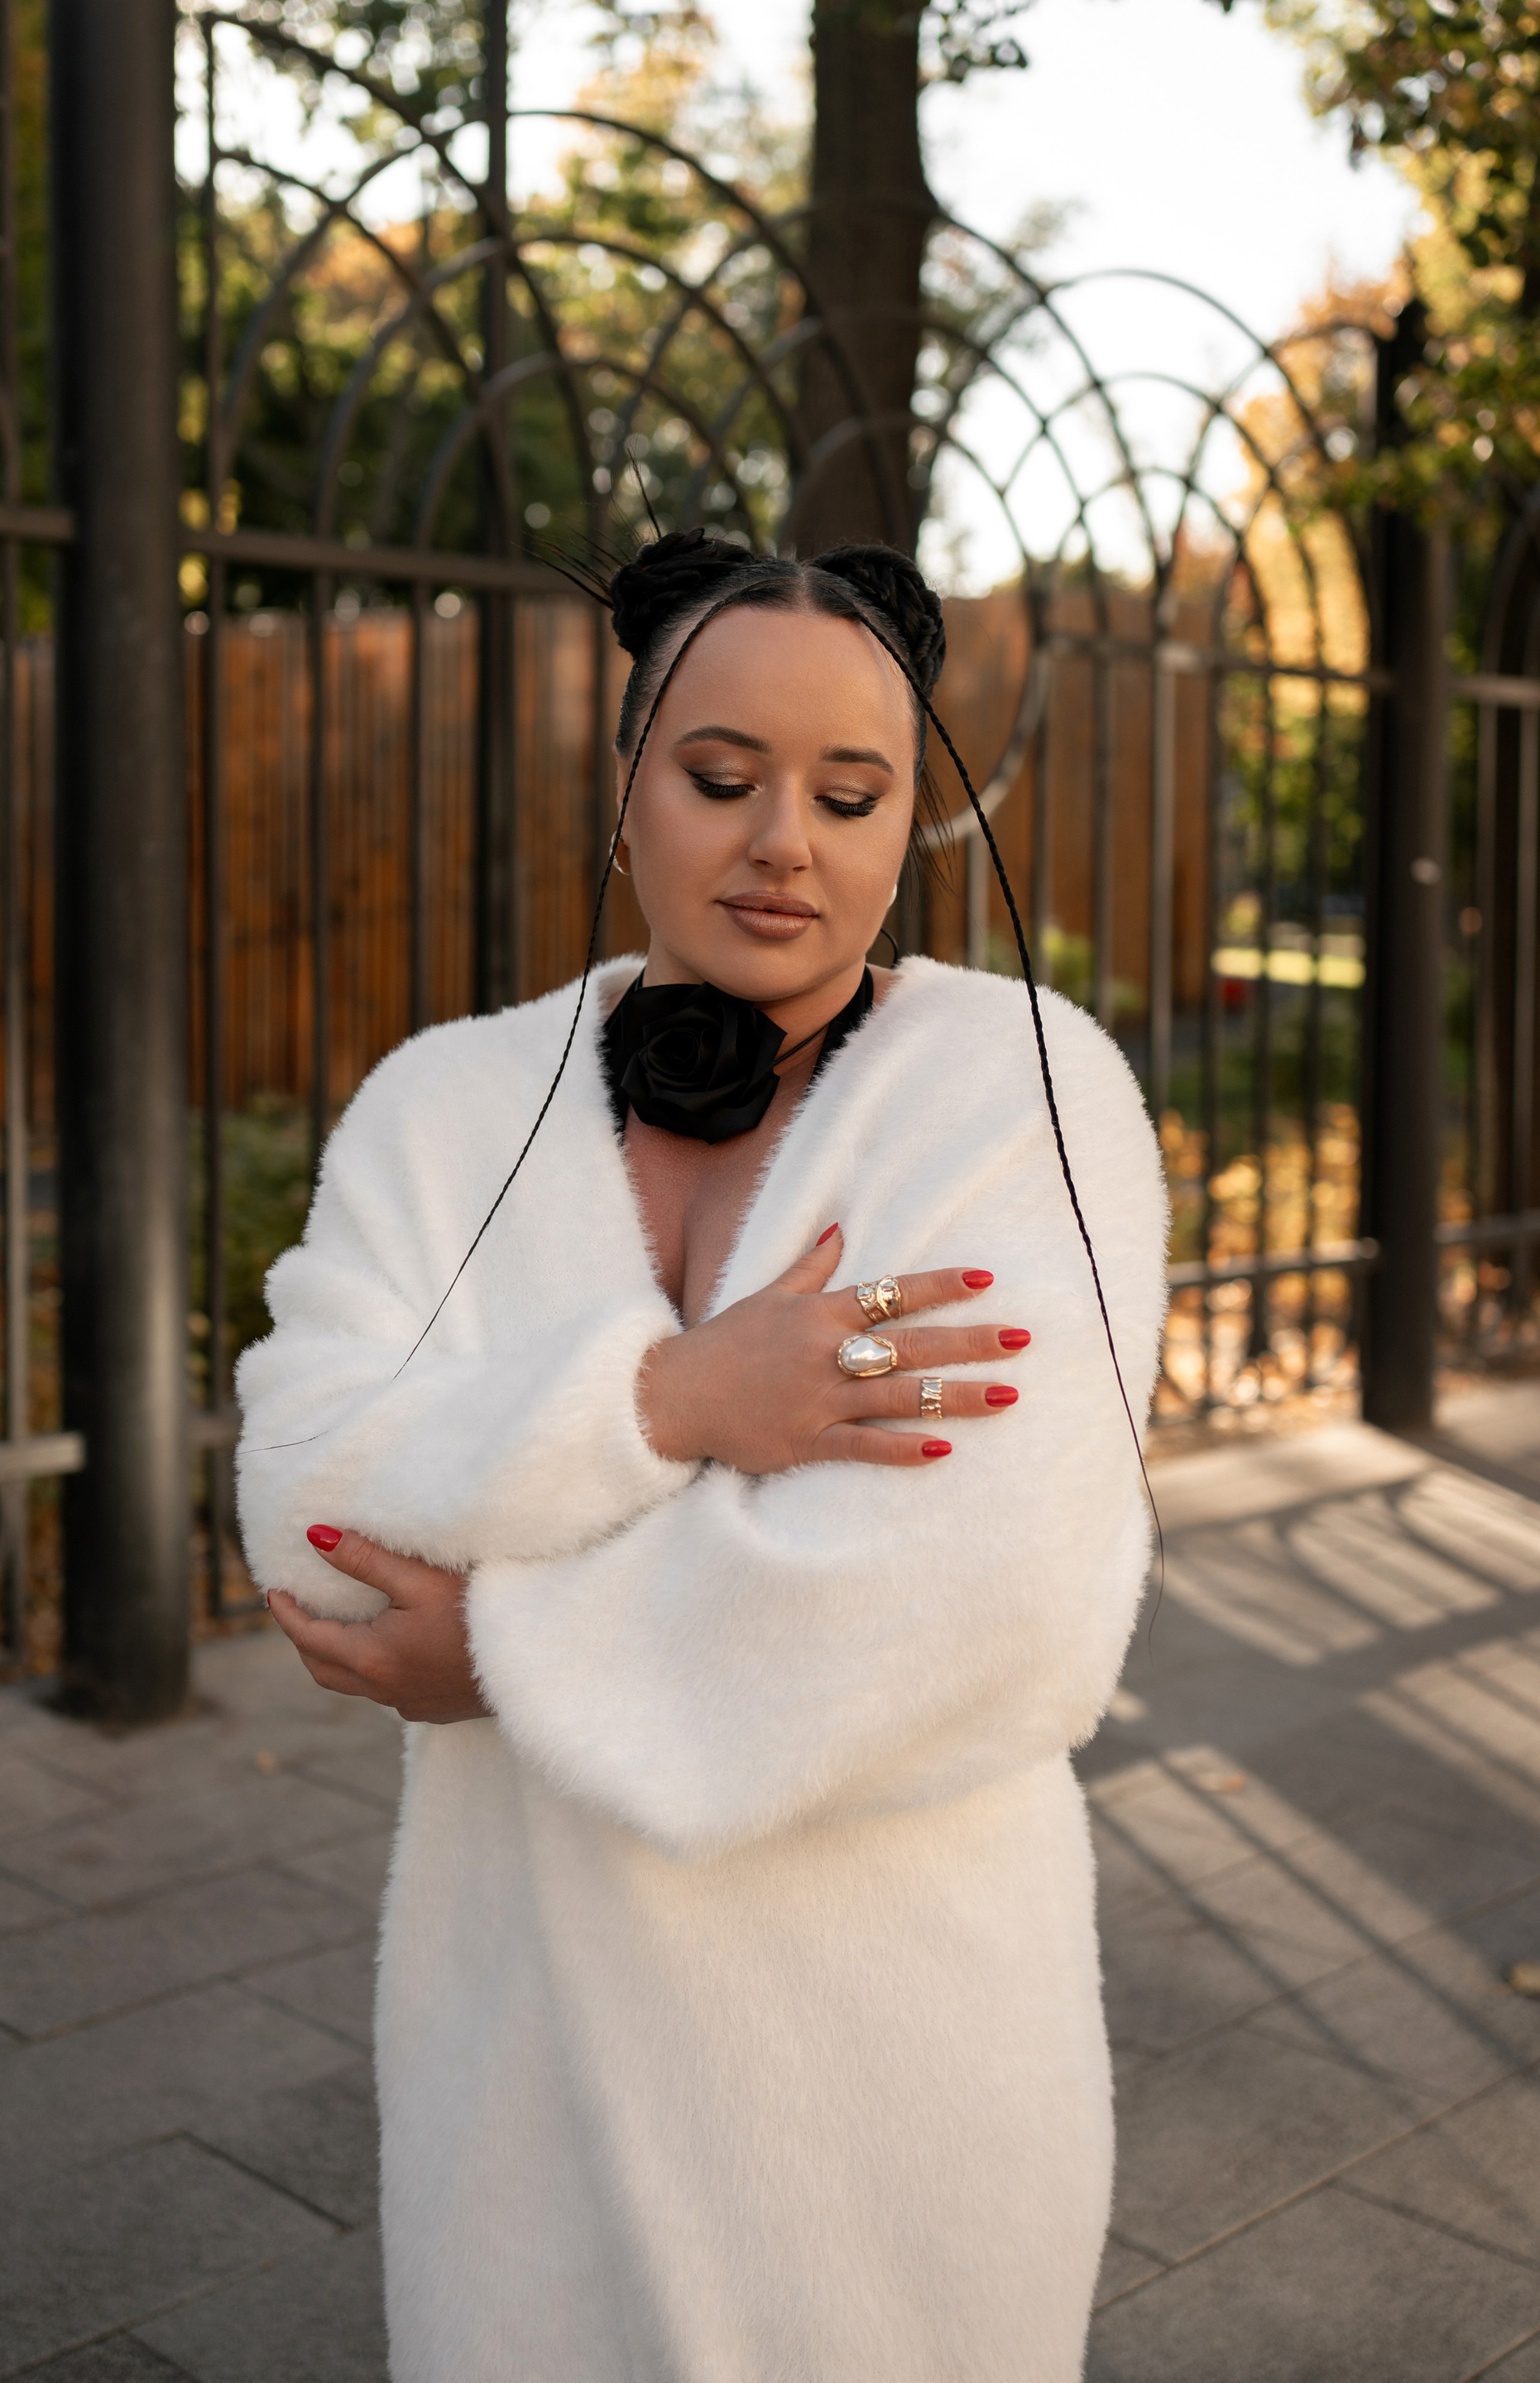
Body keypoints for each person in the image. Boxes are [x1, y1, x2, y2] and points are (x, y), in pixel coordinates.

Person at [236, 532, 1167, 2383]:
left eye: (851, 795)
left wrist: (493, 1646)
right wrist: (668, 1407)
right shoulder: (443, 1108)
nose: (783, 844)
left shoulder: (1023, 1090)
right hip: (524, 2082)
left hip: (900, 2084)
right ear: (627, 783)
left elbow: (990, 1598)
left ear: (914, 821)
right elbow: (307, 1507)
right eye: (722, 777)